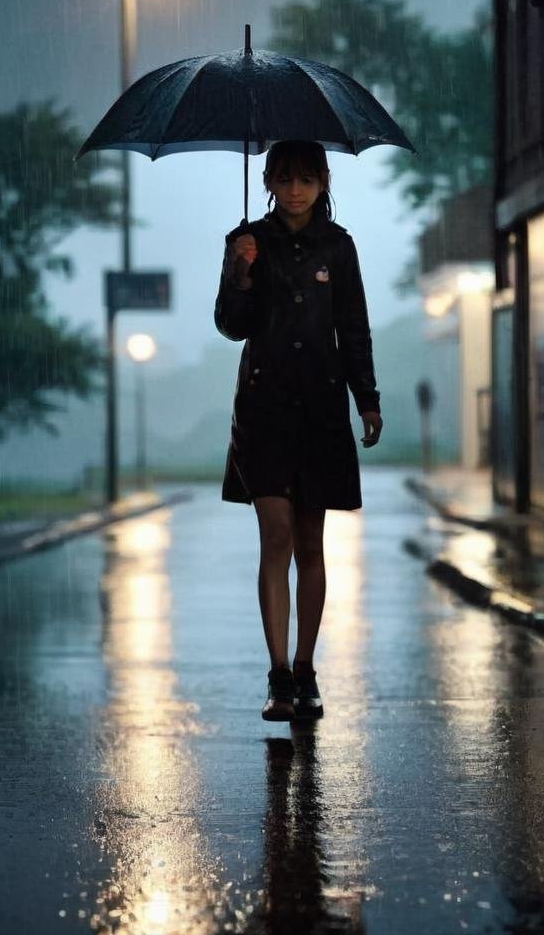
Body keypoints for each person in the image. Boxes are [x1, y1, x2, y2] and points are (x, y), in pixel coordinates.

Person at [214, 140, 383, 722]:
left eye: (306, 178)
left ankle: (307, 669)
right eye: (283, 179)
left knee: (311, 543)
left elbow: (353, 326)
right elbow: (230, 326)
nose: (294, 190)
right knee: (276, 536)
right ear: (267, 179)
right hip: (263, 409)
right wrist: (240, 270)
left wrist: (368, 399)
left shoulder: (338, 247)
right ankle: (278, 674)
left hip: (321, 407)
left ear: (322, 180)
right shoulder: (247, 240)